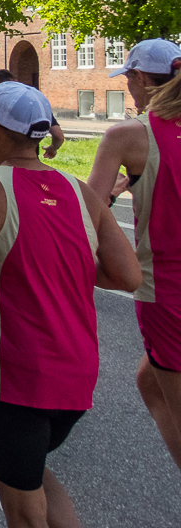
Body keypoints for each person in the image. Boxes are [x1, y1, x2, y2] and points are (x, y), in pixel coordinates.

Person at [0, 81, 139, 528]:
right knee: (29, 474)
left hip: (18, 379)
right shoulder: (81, 191)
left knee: (23, 509)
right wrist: (59, 264)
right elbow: (128, 275)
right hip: (77, 376)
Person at [87, 38, 181, 474]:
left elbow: (88, 213)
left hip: (168, 293)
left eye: (128, 79)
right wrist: (139, 182)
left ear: (141, 79)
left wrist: (109, 193)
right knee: (149, 380)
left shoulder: (128, 135)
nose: (128, 88)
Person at [0, 70, 65, 159]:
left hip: (5, 157)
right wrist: (53, 148)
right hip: (31, 158)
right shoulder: (37, 106)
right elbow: (58, 135)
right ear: (16, 81)